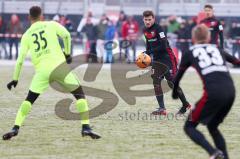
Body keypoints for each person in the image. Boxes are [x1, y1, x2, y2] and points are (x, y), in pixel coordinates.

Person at [2, 6, 100, 140]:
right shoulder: (51, 25)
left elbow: (20, 61)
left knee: (29, 100)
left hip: (42, 72)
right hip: (60, 68)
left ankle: (15, 127)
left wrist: (15, 79)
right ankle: (86, 127)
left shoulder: (26, 35)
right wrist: (67, 54)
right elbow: (66, 35)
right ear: (41, 15)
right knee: (80, 95)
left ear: (29, 17)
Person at [172, 24, 240, 159]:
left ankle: (213, 152)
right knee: (212, 126)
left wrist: (174, 93)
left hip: (213, 94)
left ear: (193, 38)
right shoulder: (218, 49)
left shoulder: (189, 53)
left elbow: (177, 78)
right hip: (231, 92)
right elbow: (237, 61)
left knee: (189, 127)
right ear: (209, 37)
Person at [142, 10, 191, 115]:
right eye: (146, 20)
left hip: (168, 58)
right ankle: (162, 109)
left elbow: (163, 46)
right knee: (156, 81)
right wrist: (146, 56)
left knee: (172, 83)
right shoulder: (145, 30)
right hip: (157, 59)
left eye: (149, 19)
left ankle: (185, 104)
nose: (147, 22)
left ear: (153, 19)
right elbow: (148, 44)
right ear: (143, 20)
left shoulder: (159, 28)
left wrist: (149, 51)